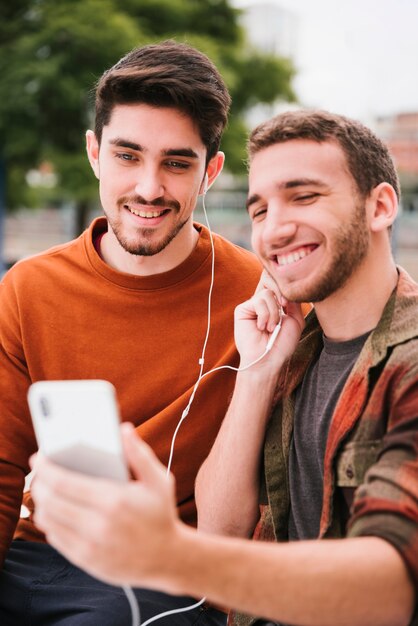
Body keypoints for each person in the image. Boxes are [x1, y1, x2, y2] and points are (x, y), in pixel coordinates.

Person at [31, 110, 418, 626]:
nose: (275, 229)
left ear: (381, 206)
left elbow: (393, 589)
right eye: (259, 210)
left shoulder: (407, 364)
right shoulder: (294, 345)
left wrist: (166, 552)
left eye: (303, 197)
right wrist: (257, 374)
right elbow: (220, 534)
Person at [0, 40, 263, 625]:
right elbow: (1, 472)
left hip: (159, 576)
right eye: (127, 156)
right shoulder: (28, 288)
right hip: (33, 554)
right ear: (95, 154)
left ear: (210, 172)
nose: (149, 187)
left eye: (176, 162)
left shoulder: (259, 295)